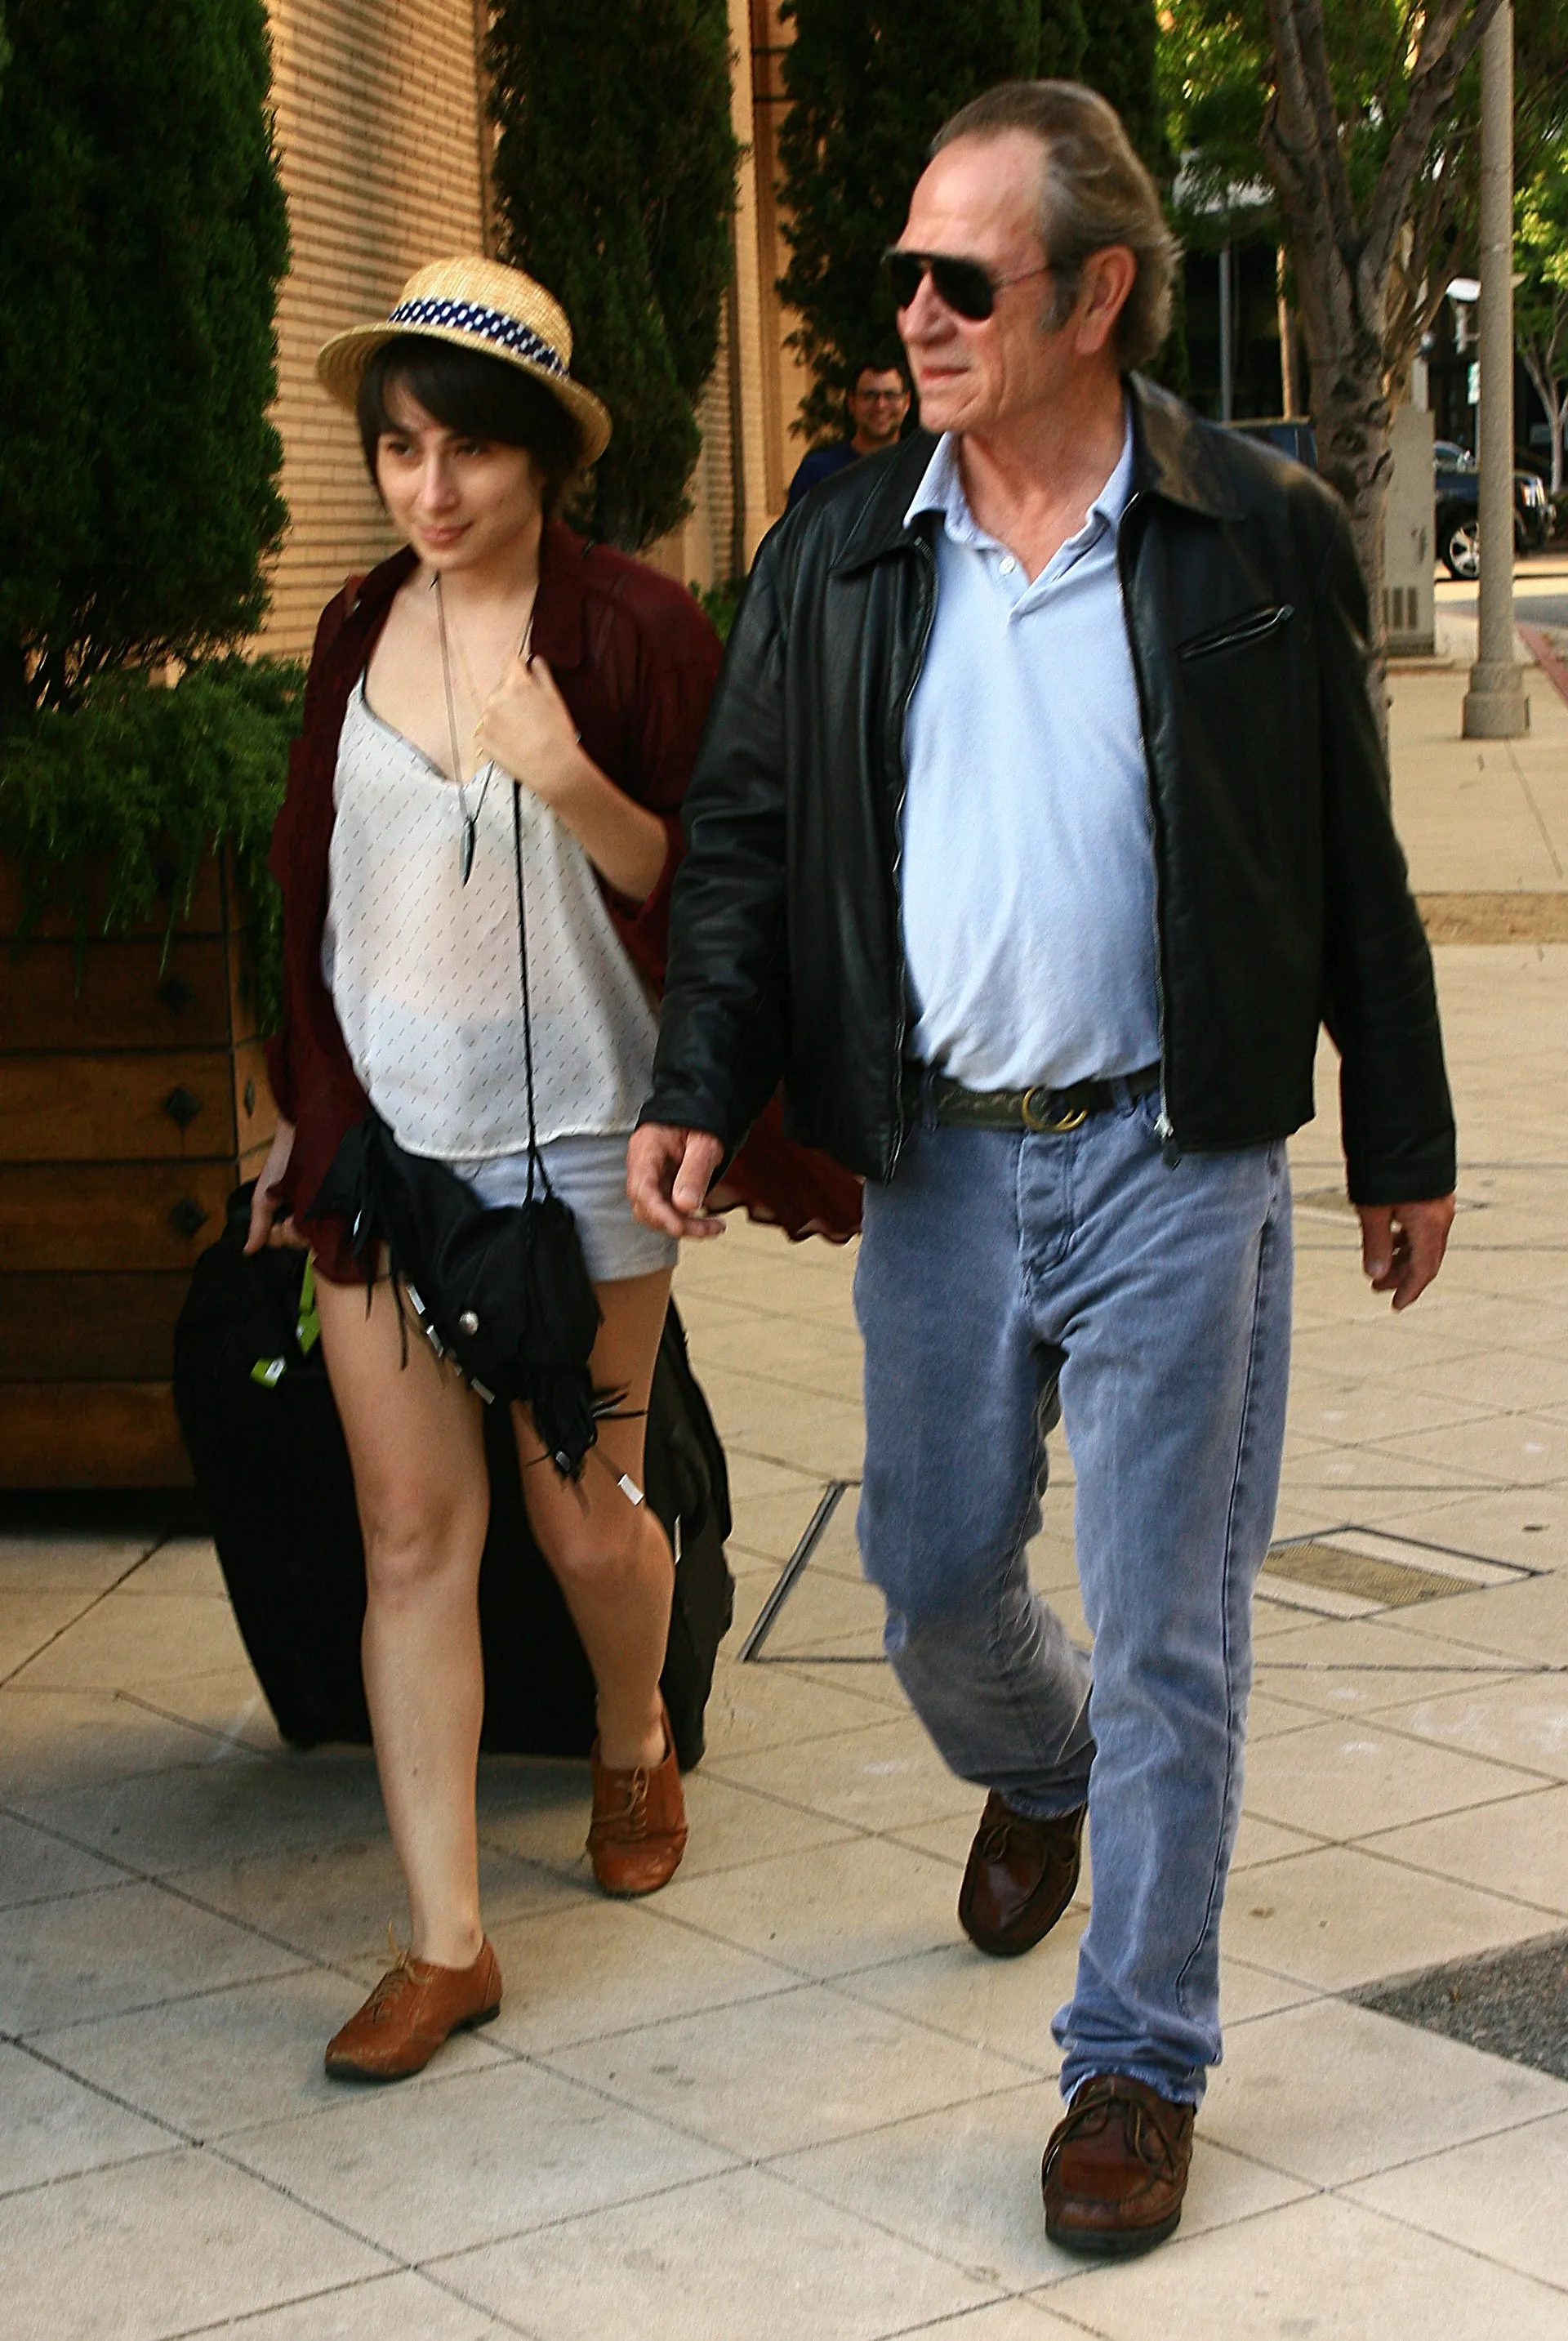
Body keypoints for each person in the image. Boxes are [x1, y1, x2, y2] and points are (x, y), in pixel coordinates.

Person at [629, 82, 1456, 2258]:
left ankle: (1135, 2060)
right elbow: (739, 843)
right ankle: (1042, 1764)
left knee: (1176, 1627)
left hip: (1178, 1158)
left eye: (960, 276)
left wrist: (1408, 1129)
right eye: (902, 269)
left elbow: (1347, 862)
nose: (913, 309)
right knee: (927, 1580)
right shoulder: (840, 539)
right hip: (945, 1166)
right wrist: (706, 1076)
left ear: (1095, 294)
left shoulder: (1251, 533)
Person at [247, 257, 853, 2084]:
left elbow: (725, 891)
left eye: (471, 455)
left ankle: (628, 1727)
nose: (433, 493)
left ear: (545, 461)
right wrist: (305, 1108)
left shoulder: (637, 630)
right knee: (414, 1535)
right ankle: (444, 1942)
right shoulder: (357, 624)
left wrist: (567, 771)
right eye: (402, 451)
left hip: (590, 1156)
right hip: (387, 1162)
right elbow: (320, 889)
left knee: (587, 1516)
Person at [786, 356, 911, 506]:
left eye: (890, 395)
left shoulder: (920, 473)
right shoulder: (817, 473)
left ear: (906, 402)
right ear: (852, 403)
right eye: (869, 396)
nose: (880, 406)